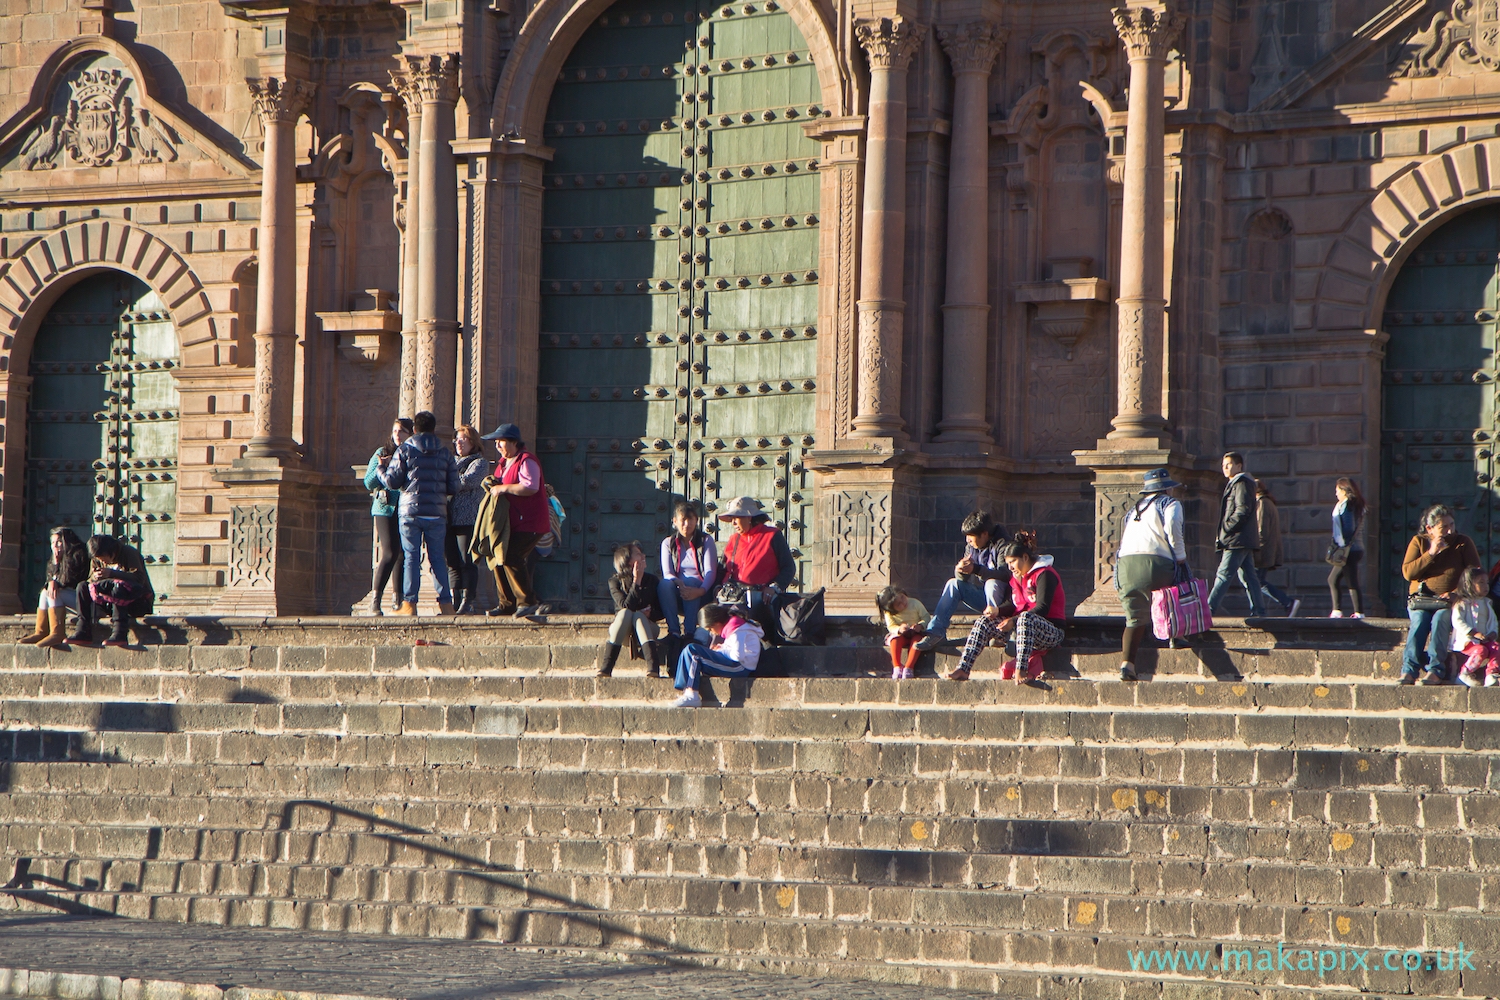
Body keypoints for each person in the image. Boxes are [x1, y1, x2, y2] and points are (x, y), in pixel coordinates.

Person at [945, 531, 1064, 683]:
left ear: (1025, 558)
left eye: (1013, 562)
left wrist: (1013, 621)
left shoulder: (1045, 574)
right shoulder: (1016, 578)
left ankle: (1021, 670)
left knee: (1025, 618)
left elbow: (1043, 608)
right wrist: (998, 611)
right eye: (1008, 563)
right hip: (1020, 630)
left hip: (1050, 632)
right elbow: (1014, 603)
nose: (1010, 567)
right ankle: (963, 668)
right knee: (984, 621)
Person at [381, 410, 460, 615]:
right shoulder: (445, 453)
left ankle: (409, 604)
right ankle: (446, 604)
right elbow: (454, 486)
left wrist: (381, 470)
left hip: (410, 513)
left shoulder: (405, 450)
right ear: (433, 429)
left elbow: (392, 481)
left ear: (414, 429)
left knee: (411, 558)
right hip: (436, 513)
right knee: (437, 559)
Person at [1114, 468, 1189, 681]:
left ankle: (1127, 664)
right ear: (1167, 489)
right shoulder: (1170, 504)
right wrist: (1180, 554)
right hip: (1156, 562)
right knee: (1173, 589)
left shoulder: (1134, 509)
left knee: (1134, 617)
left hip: (1125, 566)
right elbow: (1174, 527)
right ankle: (1177, 635)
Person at [1400, 503, 1481, 685]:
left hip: (1448, 602)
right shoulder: (1419, 541)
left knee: (1440, 620)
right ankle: (1409, 670)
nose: (1449, 530)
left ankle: (1435, 670)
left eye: (1451, 524)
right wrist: (1431, 552)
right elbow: (1408, 573)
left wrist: (1457, 594)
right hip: (1422, 600)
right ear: (1430, 528)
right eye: (1443, 527)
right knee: (1419, 621)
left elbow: (1475, 573)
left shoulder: (1463, 542)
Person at [480, 423, 550, 618]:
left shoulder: (527, 461)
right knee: (498, 557)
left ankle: (527, 601)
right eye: (496, 442)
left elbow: (530, 487)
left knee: (511, 556)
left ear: (513, 441)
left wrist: (503, 488)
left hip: (530, 522)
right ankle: (507, 604)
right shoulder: (503, 463)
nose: (498, 446)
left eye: (500, 441)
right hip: (511, 523)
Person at [914, 511, 1012, 651]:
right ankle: (936, 632)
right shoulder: (972, 547)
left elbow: (1006, 575)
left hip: (1006, 603)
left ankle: (997, 630)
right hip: (985, 598)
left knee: (992, 582)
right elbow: (963, 578)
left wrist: (977, 569)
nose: (968, 541)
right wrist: (961, 571)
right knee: (953, 584)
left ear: (984, 534)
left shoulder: (1004, 545)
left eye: (970, 537)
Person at [362, 418, 412, 615]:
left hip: (406, 508)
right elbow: (368, 482)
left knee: (402, 554)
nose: (397, 435)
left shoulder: (412, 453)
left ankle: (398, 599)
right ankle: (376, 599)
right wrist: (382, 467)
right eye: (395, 431)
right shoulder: (381, 452)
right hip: (385, 508)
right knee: (390, 552)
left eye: (402, 431)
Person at [671, 603, 764, 708]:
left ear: (717, 623)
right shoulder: (733, 626)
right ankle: (687, 690)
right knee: (688, 650)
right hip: (736, 663)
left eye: (710, 629)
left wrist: (720, 651)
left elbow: (738, 656)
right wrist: (722, 648)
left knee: (694, 652)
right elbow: (733, 648)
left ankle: (692, 694)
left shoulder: (736, 628)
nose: (713, 633)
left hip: (740, 667)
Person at [717, 496, 795, 618]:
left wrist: (774, 588)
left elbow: (788, 568)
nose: (733, 523)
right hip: (732, 597)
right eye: (731, 518)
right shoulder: (733, 540)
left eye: (736, 517)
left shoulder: (772, 535)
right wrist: (717, 588)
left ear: (749, 517)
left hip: (761, 600)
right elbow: (722, 569)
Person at [71, 534, 155, 648]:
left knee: (119, 586)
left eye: (102, 557)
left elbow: (139, 579)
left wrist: (112, 574)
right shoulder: (97, 559)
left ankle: (120, 633)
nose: (101, 561)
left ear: (111, 552)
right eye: (97, 558)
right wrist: (95, 578)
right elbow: (90, 580)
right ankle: (83, 630)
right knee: (82, 586)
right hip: (108, 603)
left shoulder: (129, 553)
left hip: (136, 602)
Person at [658, 500, 718, 659]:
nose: (687, 524)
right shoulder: (667, 543)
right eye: (683, 520)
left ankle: (689, 631)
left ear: (696, 521)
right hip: (678, 591)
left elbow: (711, 571)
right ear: (675, 521)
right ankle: (674, 631)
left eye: (691, 519)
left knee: (691, 582)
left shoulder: (705, 541)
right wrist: (678, 582)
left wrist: (701, 590)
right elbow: (667, 573)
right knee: (664, 584)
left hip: (701, 590)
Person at [1207, 452, 1264, 618]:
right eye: (1223, 465)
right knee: (1249, 577)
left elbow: (1242, 509)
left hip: (1237, 539)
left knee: (1223, 575)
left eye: (1229, 464)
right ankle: (1259, 610)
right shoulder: (1237, 483)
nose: (1225, 468)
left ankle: (1208, 610)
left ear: (1239, 466)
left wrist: (1226, 529)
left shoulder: (1241, 483)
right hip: (1241, 538)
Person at [597, 542, 665, 678]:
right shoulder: (614, 582)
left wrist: (651, 613)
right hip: (623, 632)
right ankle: (606, 668)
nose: (643, 556)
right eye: (638, 554)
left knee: (639, 617)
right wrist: (637, 580)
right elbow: (626, 606)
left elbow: (661, 611)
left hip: (648, 628)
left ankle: (653, 667)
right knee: (625, 613)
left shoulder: (652, 580)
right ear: (627, 560)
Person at [445, 424, 489, 615]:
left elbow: (467, 482)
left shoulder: (479, 463)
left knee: (467, 560)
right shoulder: (451, 463)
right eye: (457, 440)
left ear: (473, 442)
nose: (459, 443)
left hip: (467, 519)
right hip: (448, 517)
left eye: (463, 439)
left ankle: (467, 600)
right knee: (452, 561)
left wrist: (447, 480)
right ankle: (455, 600)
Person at [20, 527, 88, 648]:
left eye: (59, 542)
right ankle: (41, 631)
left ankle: (58, 633)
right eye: (52, 543)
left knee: (55, 592)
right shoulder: (54, 560)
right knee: (45, 592)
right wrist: (55, 566)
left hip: (84, 602)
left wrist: (55, 575)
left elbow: (68, 581)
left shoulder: (78, 556)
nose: (55, 546)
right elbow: (51, 582)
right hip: (67, 603)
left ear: (67, 542)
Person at [1254, 480, 1300, 618]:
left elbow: (1262, 531)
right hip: (1267, 550)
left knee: (1255, 582)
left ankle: (1286, 602)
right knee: (1256, 582)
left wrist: (1256, 550)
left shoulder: (1262, 503)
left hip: (1263, 552)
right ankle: (1264, 608)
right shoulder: (1268, 502)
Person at [1449, 567, 1500, 688]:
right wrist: (1473, 633)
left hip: (1484, 639)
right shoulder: (1462, 603)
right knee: (1481, 651)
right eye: (1481, 583)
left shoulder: (1487, 604)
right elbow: (1457, 621)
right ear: (1469, 585)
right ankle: (1465, 672)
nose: (1486, 586)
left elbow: (1493, 622)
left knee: (1497, 648)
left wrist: (1492, 632)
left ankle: (1491, 674)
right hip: (1468, 641)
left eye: (1487, 583)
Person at [1328, 478, 1366, 619]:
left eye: (1337, 490)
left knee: (1339, 580)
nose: (1336, 493)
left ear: (1344, 490)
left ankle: (1350, 612)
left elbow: (1348, 527)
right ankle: (1349, 611)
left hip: (1349, 549)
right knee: (1340, 579)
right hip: (1356, 548)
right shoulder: (1356, 505)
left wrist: (1340, 541)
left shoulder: (1346, 506)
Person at [876, 586, 928, 679]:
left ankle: (909, 667)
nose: (903, 603)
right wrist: (899, 629)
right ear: (892, 609)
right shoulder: (889, 613)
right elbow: (891, 626)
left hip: (916, 633)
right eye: (899, 604)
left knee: (917, 642)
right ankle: (897, 666)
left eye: (903, 597)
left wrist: (920, 626)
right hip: (901, 635)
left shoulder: (915, 603)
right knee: (894, 640)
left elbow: (926, 617)